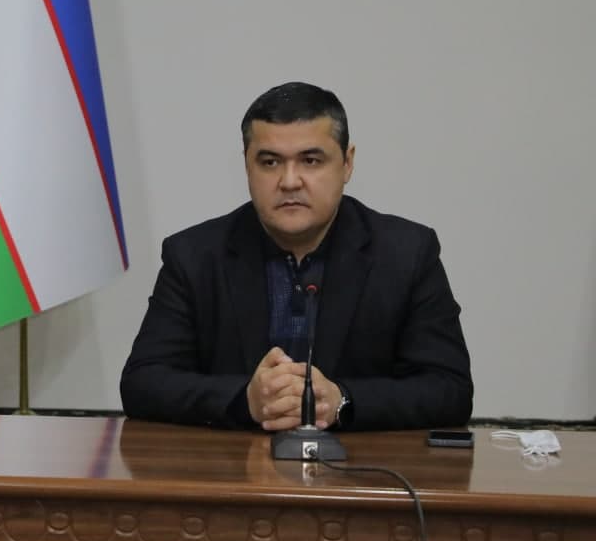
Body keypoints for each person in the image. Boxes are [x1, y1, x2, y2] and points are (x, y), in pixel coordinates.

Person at [120, 82, 472, 431]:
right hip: (235, 464)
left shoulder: (406, 254)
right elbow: (143, 383)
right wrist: (245, 400)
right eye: (270, 162)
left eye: (311, 160)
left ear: (347, 164)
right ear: (247, 166)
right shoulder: (194, 256)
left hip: (360, 463)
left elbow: (450, 390)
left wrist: (342, 400)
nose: (289, 181)